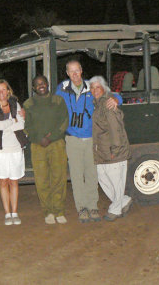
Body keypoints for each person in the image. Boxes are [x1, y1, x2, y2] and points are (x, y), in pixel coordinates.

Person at [56, 60, 121, 223]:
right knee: (77, 175)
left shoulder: (91, 86)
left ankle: (93, 206)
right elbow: (51, 105)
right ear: (67, 73)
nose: (75, 74)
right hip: (72, 138)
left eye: (77, 70)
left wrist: (117, 100)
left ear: (81, 70)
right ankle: (82, 208)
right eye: (71, 71)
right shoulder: (62, 88)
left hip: (92, 138)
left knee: (92, 174)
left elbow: (113, 94)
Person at [24, 76, 69, 224]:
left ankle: (59, 210)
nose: (41, 86)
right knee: (41, 179)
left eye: (43, 83)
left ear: (48, 84)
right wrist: (38, 138)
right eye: (37, 84)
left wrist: (52, 137)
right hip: (38, 146)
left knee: (59, 177)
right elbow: (26, 126)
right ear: (33, 88)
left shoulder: (57, 101)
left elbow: (64, 121)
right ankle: (48, 211)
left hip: (56, 144)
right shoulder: (28, 104)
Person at [89, 76, 132, 221]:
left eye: (97, 87)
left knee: (116, 182)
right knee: (103, 179)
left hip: (113, 151)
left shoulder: (108, 103)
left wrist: (116, 150)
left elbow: (116, 129)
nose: (94, 90)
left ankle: (115, 209)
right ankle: (124, 200)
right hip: (101, 151)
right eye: (92, 87)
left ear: (104, 88)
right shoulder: (97, 104)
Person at [0, 79, 27, 226]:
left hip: (15, 148)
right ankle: (7, 213)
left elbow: (21, 124)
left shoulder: (15, 104)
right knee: (3, 181)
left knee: (14, 181)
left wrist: (5, 123)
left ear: (8, 91)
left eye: (3, 89)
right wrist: (12, 121)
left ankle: (15, 212)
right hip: (0, 150)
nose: (1, 93)